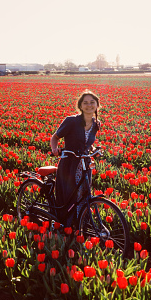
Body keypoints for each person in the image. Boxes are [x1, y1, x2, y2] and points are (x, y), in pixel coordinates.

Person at [50, 90, 101, 226]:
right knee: (70, 194)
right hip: (70, 163)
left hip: (85, 163)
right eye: (85, 103)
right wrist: (55, 149)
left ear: (97, 105)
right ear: (80, 106)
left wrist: (93, 149)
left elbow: (86, 143)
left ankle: (81, 222)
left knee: (84, 193)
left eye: (92, 102)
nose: (89, 105)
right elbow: (55, 137)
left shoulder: (96, 124)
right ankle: (67, 224)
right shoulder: (71, 121)